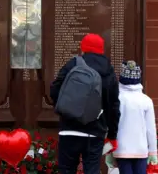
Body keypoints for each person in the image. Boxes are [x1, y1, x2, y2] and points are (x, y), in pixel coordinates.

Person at [50, 33, 120, 174]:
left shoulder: (72, 64)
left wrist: (66, 109)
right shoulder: (108, 71)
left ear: (83, 48)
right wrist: (112, 134)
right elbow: (113, 106)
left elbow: (54, 90)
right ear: (101, 50)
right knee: (92, 170)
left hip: (68, 129)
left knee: (66, 170)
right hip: (94, 131)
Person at [105, 61, 158, 174]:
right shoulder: (146, 100)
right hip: (141, 149)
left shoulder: (116, 99)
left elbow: (110, 125)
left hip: (121, 149)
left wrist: (108, 150)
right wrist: (153, 152)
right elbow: (151, 129)